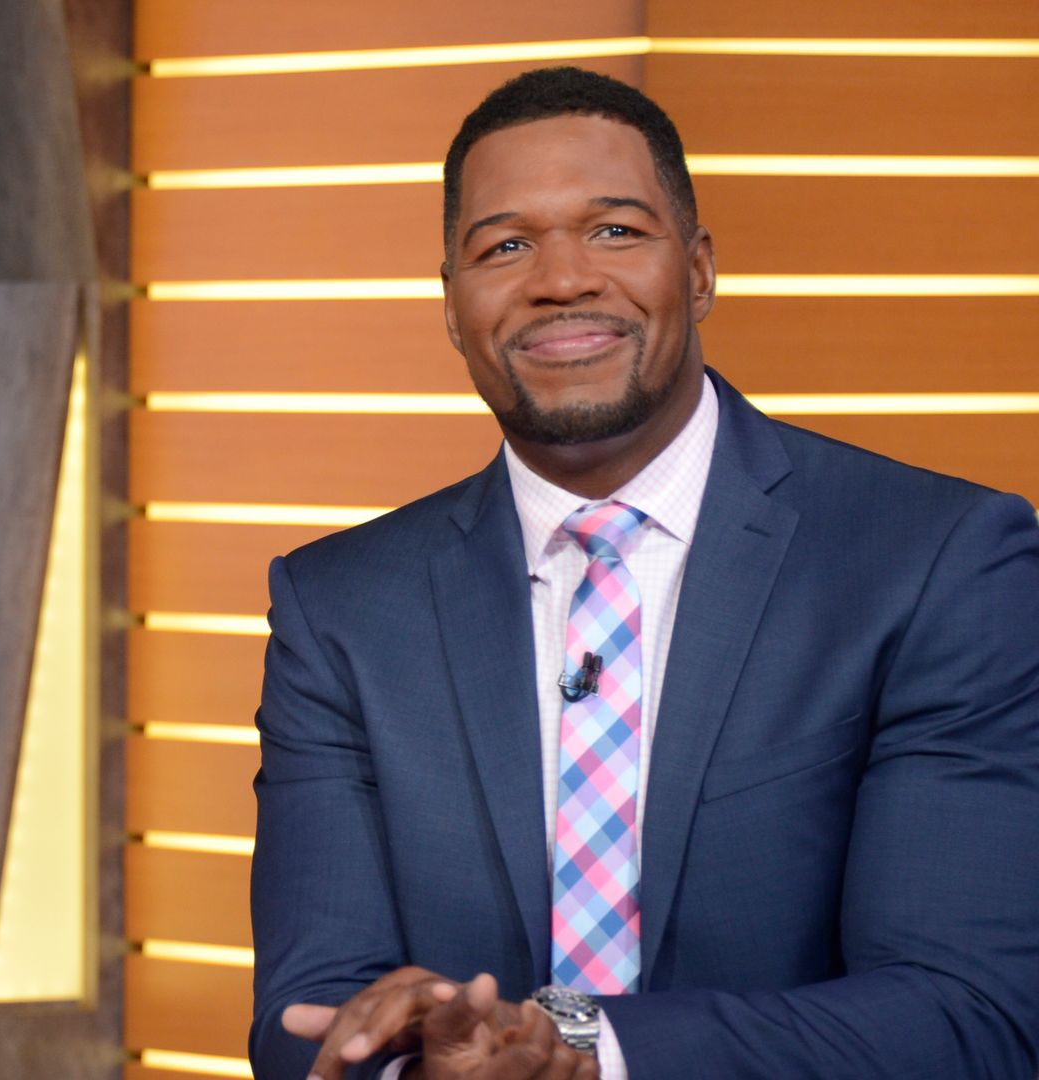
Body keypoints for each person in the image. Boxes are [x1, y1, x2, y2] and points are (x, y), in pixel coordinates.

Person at [249, 67, 1039, 1080]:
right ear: (452, 306)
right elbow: (304, 1016)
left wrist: (581, 1048)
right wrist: (412, 1060)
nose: (563, 278)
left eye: (616, 231)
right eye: (505, 246)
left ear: (700, 270)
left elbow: (968, 1014)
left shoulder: (937, 561)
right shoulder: (339, 609)